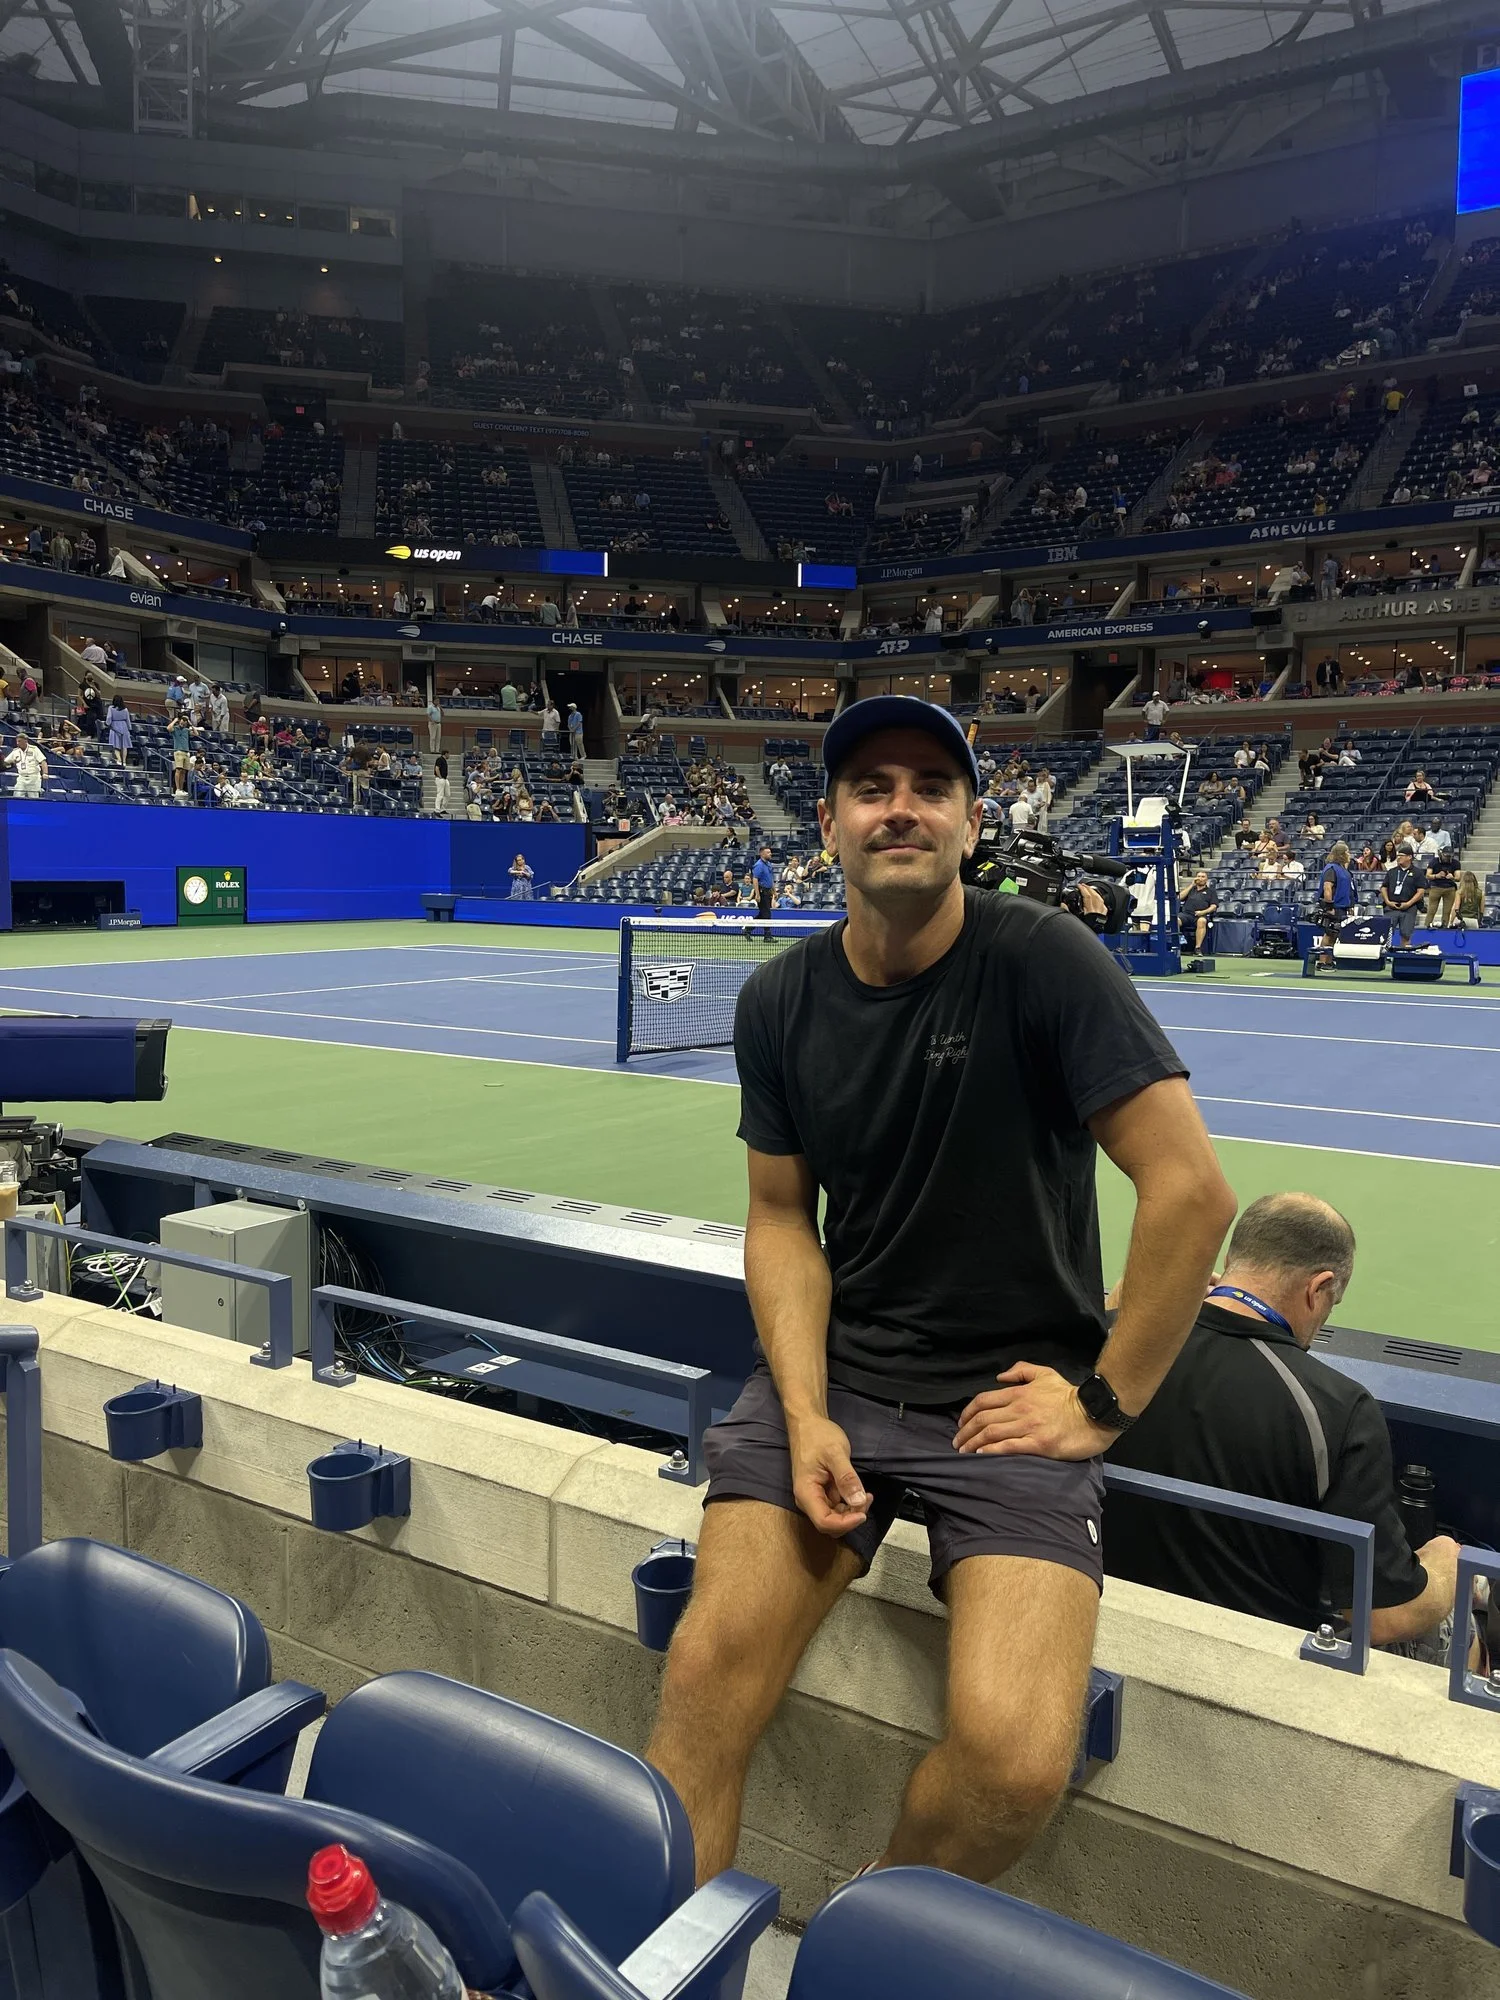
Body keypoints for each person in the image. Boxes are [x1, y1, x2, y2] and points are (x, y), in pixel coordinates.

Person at [644, 694, 1234, 1890]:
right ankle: (676, 1966)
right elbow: (778, 1219)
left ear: (972, 822)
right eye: (872, 787)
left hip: (1009, 1406)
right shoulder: (779, 1001)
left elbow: (1191, 1192)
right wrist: (805, 1413)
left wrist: (1100, 1402)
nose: (899, 806)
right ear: (830, 825)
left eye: (929, 786)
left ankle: (861, 1933)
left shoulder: (1042, 959)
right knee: (704, 1679)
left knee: (1014, 1764)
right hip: (841, 1378)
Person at [1106, 1195, 1465, 1655]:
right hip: (1263, 1656)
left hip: (1112, 1614)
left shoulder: (1110, 1351)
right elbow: (1382, 1616)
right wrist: (1446, 1562)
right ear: (1319, 1289)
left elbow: (1118, 1308)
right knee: (1459, 1631)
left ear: (1232, 1262)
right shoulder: (1339, 1408)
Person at [1316, 841, 1354, 966]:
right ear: (1341, 854)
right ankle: (1322, 962)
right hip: (1334, 907)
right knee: (1329, 934)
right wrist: (1329, 906)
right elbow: (1327, 888)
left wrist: (1350, 905)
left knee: (1335, 935)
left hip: (1342, 907)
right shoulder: (1331, 869)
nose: (1349, 854)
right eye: (1347, 852)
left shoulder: (1343, 869)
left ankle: (1329, 961)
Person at [1381, 843, 1425, 944]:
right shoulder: (1392, 872)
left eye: (1401, 855)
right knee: (1385, 934)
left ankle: (1403, 954)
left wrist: (1409, 903)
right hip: (1391, 907)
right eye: (1398, 855)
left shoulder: (1417, 873)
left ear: (1409, 857)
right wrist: (1387, 901)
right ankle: (1386, 955)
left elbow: (1421, 891)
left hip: (1409, 909)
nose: (1398, 858)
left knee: (1406, 934)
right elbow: (1384, 887)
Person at [1180, 870, 1217, 954]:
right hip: (1186, 915)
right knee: (1175, 920)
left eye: (1203, 877)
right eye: (1199, 876)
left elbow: (1213, 906)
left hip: (1200, 915)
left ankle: (1198, 948)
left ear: (1206, 879)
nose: (1200, 878)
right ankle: (1177, 945)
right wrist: (1191, 885)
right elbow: (1179, 897)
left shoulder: (1211, 892)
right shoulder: (1191, 889)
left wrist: (1202, 912)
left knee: (1202, 921)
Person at [1423, 847, 1459, 929]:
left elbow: (1458, 877)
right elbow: (1428, 875)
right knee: (1432, 910)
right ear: (1441, 854)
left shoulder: (1455, 863)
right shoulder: (1434, 861)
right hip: (1436, 886)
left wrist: (1452, 877)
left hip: (1450, 888)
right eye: (1446, 856)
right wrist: (1437, 875)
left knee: (1447, 911)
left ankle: (1444, 927)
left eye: (1449, 856)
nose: (1447, 858)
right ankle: (1427, 925)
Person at [4, 731, 46, 800]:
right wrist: (12, 764)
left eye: (19, 741)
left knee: (33, 798)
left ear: (25, 741)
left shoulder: (34, 749)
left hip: (34, 777)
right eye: (17, 741)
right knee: (17, 796)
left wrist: (45, 773)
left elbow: (43, 761)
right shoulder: (15, 751)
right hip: (21, 777)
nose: (17, 743)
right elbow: (6, 762)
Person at [105, 694, 132, 766]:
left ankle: (119, 760)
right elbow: (128, 720)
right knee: (124, 745)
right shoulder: (125, 709)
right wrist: (129, 728)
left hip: (115, 726)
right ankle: (124, 761)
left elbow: (109, 718)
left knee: (115, 744)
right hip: (124, 726)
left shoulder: (111, 708)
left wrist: (107, 724)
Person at [751, 844, 775, 919]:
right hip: (761, 892)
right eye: (768, 852)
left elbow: (770, 878)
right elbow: (755, 879)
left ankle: (747, 928)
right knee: (766, 914)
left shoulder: (769, 864)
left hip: (768, 892)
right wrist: (757, 894)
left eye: (770, 852)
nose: (770, 854)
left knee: (763, 913)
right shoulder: (758, 865)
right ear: (762, 854)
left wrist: (774, 891)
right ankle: (767, 931)